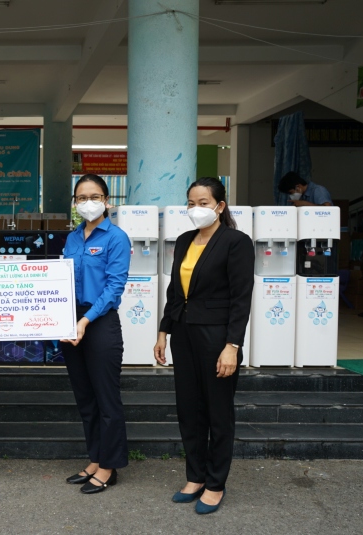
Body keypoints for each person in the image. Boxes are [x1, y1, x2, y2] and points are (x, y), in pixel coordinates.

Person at [154, 177, 255, 515]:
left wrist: (233, 346)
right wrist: (163, 332)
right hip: (184, 333)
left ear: (220, 206)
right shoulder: (184, 240)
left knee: (217, 410)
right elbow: (175, 290)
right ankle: (195, 476)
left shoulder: (236, 242)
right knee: (189, 408)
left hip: (217, 337)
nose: (196, 209)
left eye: (203, 203)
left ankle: (215, 483)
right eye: (191, 203)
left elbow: (241, 299)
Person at [61, 174, 131, 494]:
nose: (87, 203)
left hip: (99, 322)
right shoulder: (73, 238)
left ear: (106, 201)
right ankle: (94, 457)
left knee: (106, 398)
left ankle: (108, 466)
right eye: (81, 198)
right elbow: (62, 281)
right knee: (85, 397)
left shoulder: (116, 237)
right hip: (70, 321)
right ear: (75, 203)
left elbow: (114, 288)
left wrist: (85, 320)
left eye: (94, 196)